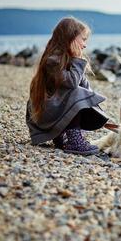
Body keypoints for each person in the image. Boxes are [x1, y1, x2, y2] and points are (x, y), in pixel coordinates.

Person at [26, 17, 109, 155]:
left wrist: (79, 64)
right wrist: (77, 61)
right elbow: (72, 84)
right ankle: (74, 141)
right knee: (75, 92)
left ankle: (63, 136)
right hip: (44, 115)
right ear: (70, 38)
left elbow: (85, 88)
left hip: (54, 111)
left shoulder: (69, 60)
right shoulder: (52, 61)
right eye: (83, 39)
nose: (84, 45)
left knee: (80, 93)